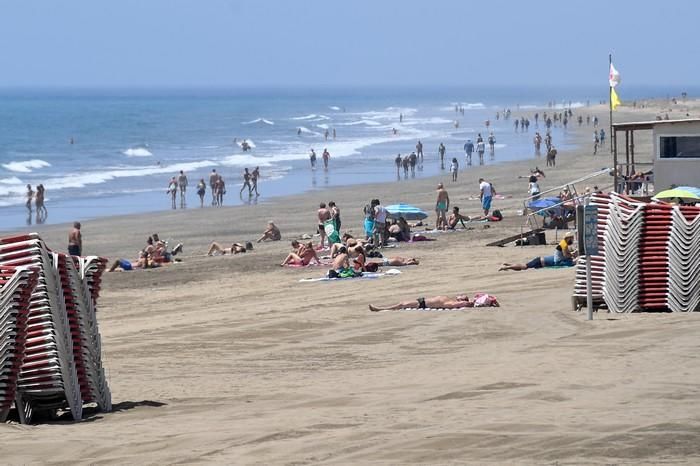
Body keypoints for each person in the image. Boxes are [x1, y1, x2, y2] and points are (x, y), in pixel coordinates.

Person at [499, 232, 577, 271]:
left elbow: (566, 254)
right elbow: (566, 255)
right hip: (541, 261)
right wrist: (573, 255)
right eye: (572, 238)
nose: (572, 240)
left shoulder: (563, 243)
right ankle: (506, 267)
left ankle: (507, 265)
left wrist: (572, 254)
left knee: (524, 265)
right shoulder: (564, 245)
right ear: (568, 238)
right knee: (524, 267)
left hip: (542, 260)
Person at [369, 294, 474, 312]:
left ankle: (380, 309)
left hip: (422, 304)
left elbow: (466, 304)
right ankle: (382, 308)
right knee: (401, 303)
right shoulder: (450, 299)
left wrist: (470, 303)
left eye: (461, 296)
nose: (459, 295)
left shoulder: (451, 303)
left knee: (401, 304)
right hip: (422, 300)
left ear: (461, 300)